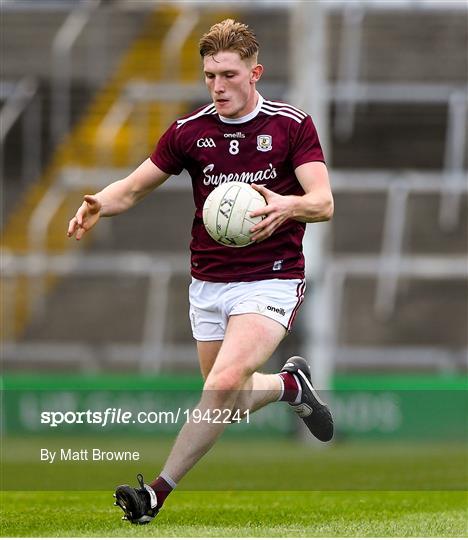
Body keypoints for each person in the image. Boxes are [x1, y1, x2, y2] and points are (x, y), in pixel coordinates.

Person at [67, 19, 334, 525]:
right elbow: (133, 186)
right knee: (227, 403)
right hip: (209, 283)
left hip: (272, 276)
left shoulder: (290, 125)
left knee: (224, 382)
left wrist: (288, 206)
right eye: (210, 75)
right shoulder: (190, 131)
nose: (217, 86)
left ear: (255, 73)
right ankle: (289, 386)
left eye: (228, 75)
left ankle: (155, 495)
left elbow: (323, 203)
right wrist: (99, 202)